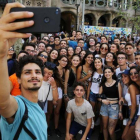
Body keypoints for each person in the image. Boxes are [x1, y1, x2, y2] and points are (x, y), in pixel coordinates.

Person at [0, 3, 48, 140]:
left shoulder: (39, 108)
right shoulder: (18, 106)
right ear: (18, 79)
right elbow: (3, 103)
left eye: (37, 72)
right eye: (27, 72)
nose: (34, 75)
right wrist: (1, 55)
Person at [98, 67, 122, 140]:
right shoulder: (102, 85)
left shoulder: (117, 83)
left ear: (112, 73)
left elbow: (120, 98)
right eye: (105, 72)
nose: (107, 73)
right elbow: (98, 97)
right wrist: (102, 101)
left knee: (111, 130)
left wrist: (120, 111)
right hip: (104, 107)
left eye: (109, 72)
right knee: (104, 127)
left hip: (114, 108)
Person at [121, 69, 140, 140]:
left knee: (126, 138)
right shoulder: (130, 86)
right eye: (122, 77)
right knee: (124, 137)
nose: (123, 78)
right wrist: (123, 99)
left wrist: (130, 119)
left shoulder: (132, 86)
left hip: (135, 113)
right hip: (131, 112)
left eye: (125, 76)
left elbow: (134, 105)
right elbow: (129, 101)